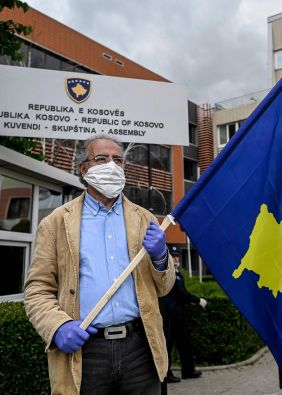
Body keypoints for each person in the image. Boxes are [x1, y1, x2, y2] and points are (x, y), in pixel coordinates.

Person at [24, 135, 175, 394]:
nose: (112, 167)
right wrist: (57, 326)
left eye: (118, 160)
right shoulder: (56, 223)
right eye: (102, 159)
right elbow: (37, 290)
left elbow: (165, 287)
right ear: (84, 169)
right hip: (86, 352)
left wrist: (161, 257)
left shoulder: (145, 219)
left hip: (140, 349)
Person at [160, 245, 207, 383]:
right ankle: (166, 374)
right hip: (169, 316)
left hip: (179, 315)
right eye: (173, 256)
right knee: (167, 346)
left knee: (184, 343)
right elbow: (182, 294)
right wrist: (198, 300)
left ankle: (188, 370)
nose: (176, 259)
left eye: (177, 257)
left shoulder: (178, 274)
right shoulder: (168, 274)